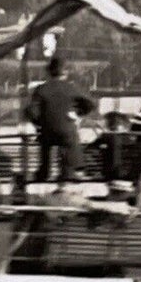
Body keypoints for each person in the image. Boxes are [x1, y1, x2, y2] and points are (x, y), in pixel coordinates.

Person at [27, 54, 94, 184]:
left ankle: (44, 172)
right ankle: (69, 172)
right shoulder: (71, 88)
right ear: (65, 73)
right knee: (71, 138)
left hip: (47, 130)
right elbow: (90, 104)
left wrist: (40, 123)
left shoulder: (41, 89)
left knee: (45, 143)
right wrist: (78, 114)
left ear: (49, 72)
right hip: (66, 130)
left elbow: (32, 111)